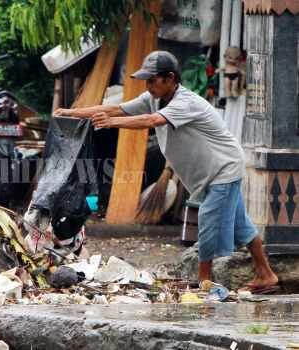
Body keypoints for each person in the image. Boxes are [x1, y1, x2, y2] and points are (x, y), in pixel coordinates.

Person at [54, 50, 278, 292]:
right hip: (212, 172)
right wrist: (72, 113)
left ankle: (205, 283)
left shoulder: (186, 102)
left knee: (207, 220)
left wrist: (112, 124)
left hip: (223, 169)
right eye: (146, 81)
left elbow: (151, 121)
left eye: (152, 80)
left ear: (170, 78)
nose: (148, 85)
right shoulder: (154, 98)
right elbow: (117, 109)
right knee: (241, 225)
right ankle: (266, 274)